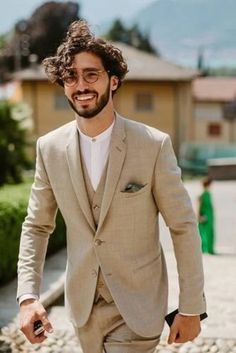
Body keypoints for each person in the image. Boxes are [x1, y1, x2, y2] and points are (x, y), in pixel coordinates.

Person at [17, 20, 206, 353]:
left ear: (113, 80)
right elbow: (36, 226)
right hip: (83, 310)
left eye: (91, 74)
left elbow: (183, 226)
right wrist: (29, 297)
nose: (81, 85)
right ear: (63, 85)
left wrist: (191, 307)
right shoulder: (49, 148)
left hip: (138, 307)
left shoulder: (153, 145)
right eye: (71, 76)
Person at [198, 177, 215, 254]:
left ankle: (210, 249)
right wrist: (199, 216)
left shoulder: (208, 194)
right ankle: (206, 249)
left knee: (210, 232)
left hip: (209, 215)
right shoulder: (202, 195)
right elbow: (199, 206)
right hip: (205, 216)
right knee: (205, 233)